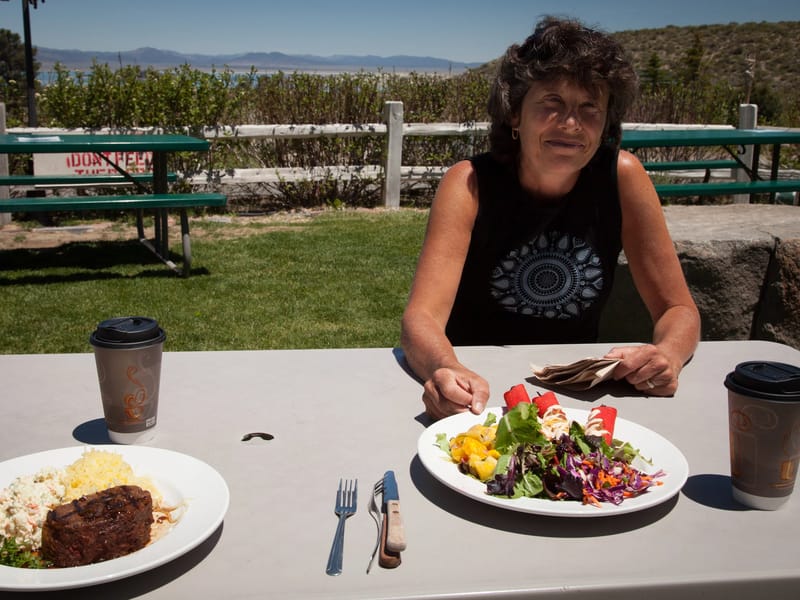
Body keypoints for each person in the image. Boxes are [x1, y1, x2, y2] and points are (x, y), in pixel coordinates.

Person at [400, 16, 701, 420]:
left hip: (576, 398)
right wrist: (445, 367)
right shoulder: (469, 183)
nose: (571, 124)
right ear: (514, 113)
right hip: (474, 394)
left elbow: (677, 309)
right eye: (552, 103)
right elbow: (422, 317)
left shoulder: (623, 177)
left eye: (590, 107)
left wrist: (667, 355)